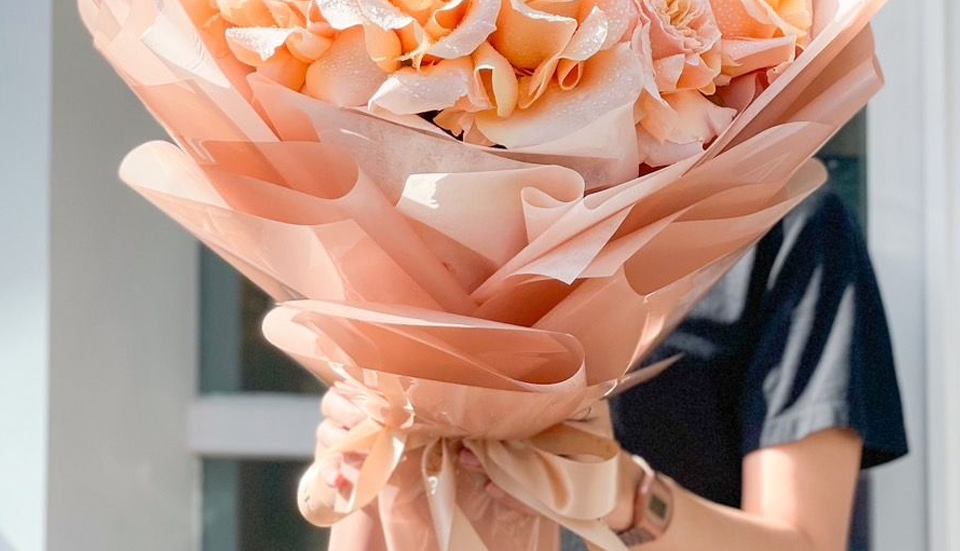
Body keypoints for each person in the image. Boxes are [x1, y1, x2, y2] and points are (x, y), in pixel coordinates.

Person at [317, 187, 907, 549]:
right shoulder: (429, 207)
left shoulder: (781, 222)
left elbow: (805, 543)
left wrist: (624, 498)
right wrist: (366, 455)